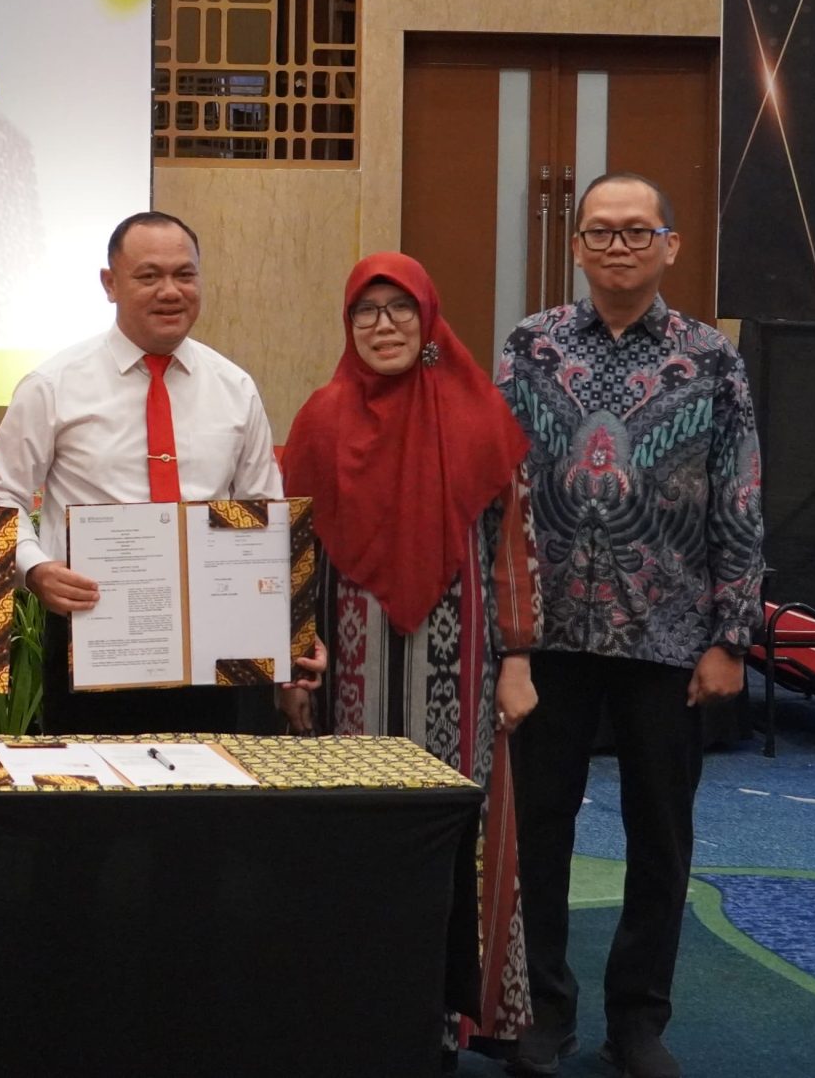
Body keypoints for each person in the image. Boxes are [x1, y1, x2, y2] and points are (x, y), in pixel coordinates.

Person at [496, 175, 764, 1078]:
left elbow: (740, 496)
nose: (618, 245)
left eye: (637, 231)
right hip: (550, 636)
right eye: (601, 232)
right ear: (576, 245)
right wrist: (506, 632)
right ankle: (543, 1013)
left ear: (670, 245)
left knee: (661, 834)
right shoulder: (531, 346)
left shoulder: (711, 358)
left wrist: (731, 637)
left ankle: (639, 1021)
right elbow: (501, 490)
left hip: (671, 637)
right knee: (539, 830)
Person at [282, 252, 540, 1058]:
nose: (384, 325)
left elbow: (513, 546)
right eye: (367, 311)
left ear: (428, 321)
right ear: (348, 324)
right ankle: (355, 1008)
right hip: (348, 676)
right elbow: (291, 550)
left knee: (457, 825)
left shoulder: (478, 414)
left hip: (461, 669)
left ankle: (450, 1017)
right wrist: (292, 658)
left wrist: (519, 658)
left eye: (400, 309)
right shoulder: (321, 418)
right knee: (354, 828)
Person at [0, 211, 282, 733]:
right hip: (91, 630)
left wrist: (283, 619)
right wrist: (35, 570)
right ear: (110, 284)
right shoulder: (53, 384)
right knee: (92, 782)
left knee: (211, 780)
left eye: (184, 275)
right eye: (148, 276)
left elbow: (264, 513)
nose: (170, 291)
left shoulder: (235, 388)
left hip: (212, 637)